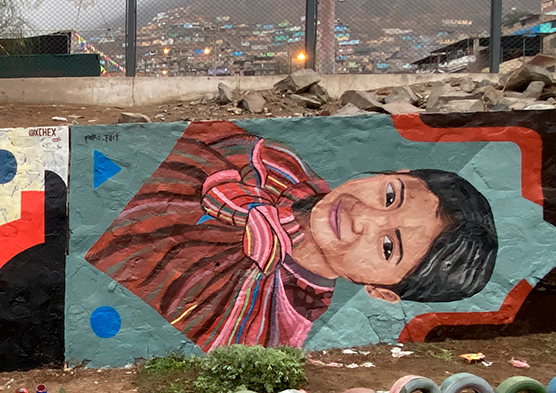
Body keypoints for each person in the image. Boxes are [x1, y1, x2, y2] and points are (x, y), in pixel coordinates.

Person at [85, 121, 497, 349]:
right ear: (396, 172)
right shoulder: (274, 161)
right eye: (389, 195)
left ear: (382, 292)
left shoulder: (272, 326)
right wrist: (238, 202)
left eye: (388, 246)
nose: (361, 216)